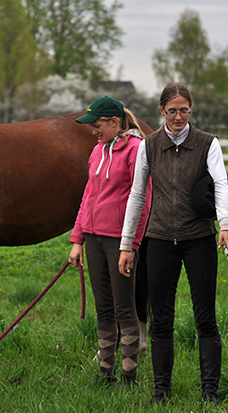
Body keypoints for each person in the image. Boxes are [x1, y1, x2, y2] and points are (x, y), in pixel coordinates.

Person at [118, 83, 228, 403]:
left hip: (199, 240)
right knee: (161, 319)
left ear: (190, 110)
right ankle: (161, 390)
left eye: (184, 110)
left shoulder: (208, 143)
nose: (178, 116)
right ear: (161, 111)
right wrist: (127, 244)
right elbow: (137, 194)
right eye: (172, 111)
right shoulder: (149, 146)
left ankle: (210, 391)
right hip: (158, 241)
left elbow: (221, 184)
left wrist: (225, 225)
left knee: (205, 318)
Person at [69, 96, 151, 386]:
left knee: (124, 308)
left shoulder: (136, 150)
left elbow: (142, 201)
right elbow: (88, 196)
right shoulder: (97, 152)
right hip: (93, 238)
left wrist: (130, 245)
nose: (94, 131)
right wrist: (77, 239)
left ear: (115, 123)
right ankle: (106, 372)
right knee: (103, 308)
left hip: (119, 242)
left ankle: (130, 376)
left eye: (98, 125)